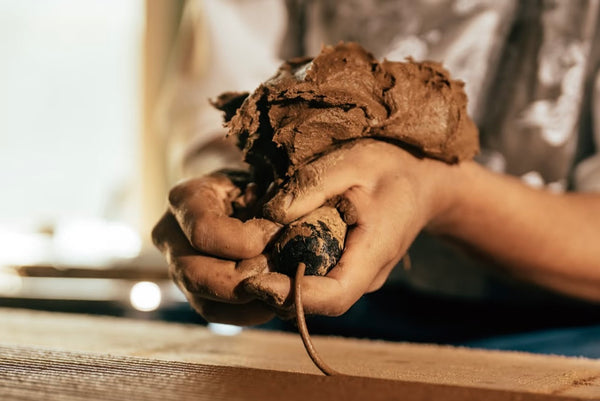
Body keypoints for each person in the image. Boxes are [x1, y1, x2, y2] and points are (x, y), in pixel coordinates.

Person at [152, 0, 600, 356]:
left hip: (559, 330)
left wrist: (442, 191)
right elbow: (218, 121)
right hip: (320, 314)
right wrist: (231, 199)